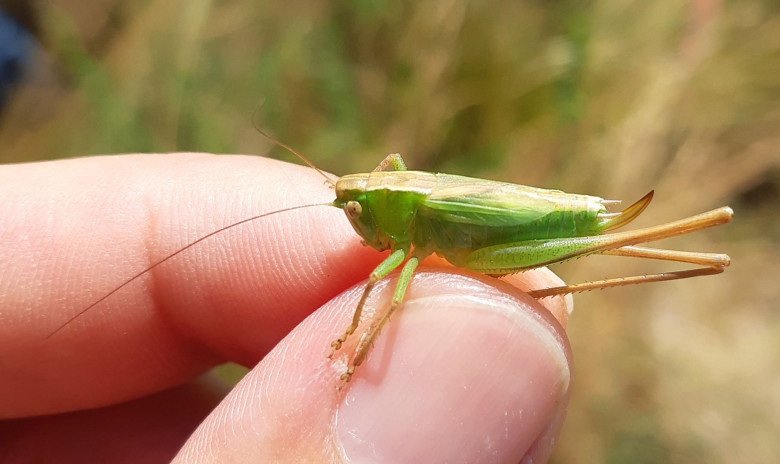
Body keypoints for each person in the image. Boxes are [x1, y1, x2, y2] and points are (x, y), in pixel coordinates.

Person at [0, 153, 571, 463]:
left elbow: (388, 288)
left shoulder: (411, 230)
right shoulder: (403, 199)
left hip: (498, 228)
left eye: (358, 209)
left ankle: (360, 354)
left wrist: (352, 345)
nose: (353, 217)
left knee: (397, 292)